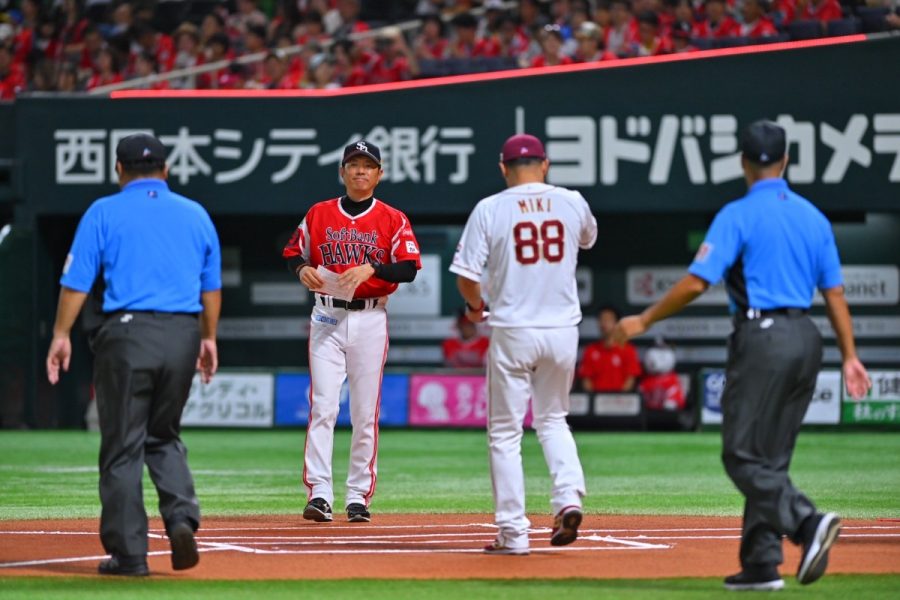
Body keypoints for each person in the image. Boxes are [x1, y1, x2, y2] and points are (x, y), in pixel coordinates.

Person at [613, 120, 871, 591]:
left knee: (741, 455)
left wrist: (644, 321)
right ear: (786, 161)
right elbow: (834, 294)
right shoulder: (813, 216)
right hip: (807, 337)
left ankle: (807, 521)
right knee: (770, 459)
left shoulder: (738, 213)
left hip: (763, 337)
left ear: (743, 163)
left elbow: (697, 282)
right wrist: (850, 356)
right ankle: (760, 563)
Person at [45, 133, 222, 576]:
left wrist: (61, 334)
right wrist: (208, 338)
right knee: (164, 435)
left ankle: (129, 554)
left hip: (127, 334)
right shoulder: (196, 213)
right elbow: (210, 288)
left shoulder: (103, 211)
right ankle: (180, 519)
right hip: (182, 333)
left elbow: (76, 283)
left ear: (119, 170)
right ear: (166, 169)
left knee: (123, 445)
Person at [450, 133, 598, 555]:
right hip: (562, 329)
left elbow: (467, 276)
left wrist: (474, 307)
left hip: (513, 327)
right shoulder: (572, 201)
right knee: (553, 420)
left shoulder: (490, 208)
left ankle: (513, 533)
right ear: (545, 164)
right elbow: (587, 239)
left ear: (503, 168)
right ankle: (567, 496)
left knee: (504, 433)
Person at [282, 140, 421, 524]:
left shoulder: (392, 218)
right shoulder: (319, 213)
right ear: (342, 171)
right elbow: (293, 252)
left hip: (370, 317)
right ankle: (320, 494)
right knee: (323, 407)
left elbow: (409, 268)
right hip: (327, 316)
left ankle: (358, 496)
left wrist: (373, 268)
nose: (361, 170)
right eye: (354, 164)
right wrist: (301, 269)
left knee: (364, 412)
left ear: (379, 173)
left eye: (368, 165)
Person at [578, 305, 642, 392]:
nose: (604, 323)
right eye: (601, 319)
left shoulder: (628, 349)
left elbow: (630, 378)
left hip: (620, 398)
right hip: (596, 398)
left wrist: (619, 397)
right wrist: (593, 397)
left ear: (617, 323)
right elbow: (586, 378)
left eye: (608, 319)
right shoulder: (590, 350)